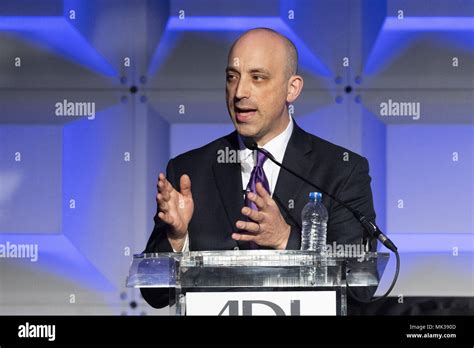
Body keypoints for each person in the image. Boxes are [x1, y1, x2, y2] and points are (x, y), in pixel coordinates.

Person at [141, 28, 376, 308]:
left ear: (292, 88)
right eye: (232, 78)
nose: (239, 92)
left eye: (258, 78)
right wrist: (176, 239)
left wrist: (287, 240)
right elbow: (152, 294)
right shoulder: (189, 169)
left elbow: (360, 285)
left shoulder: (342, 170)